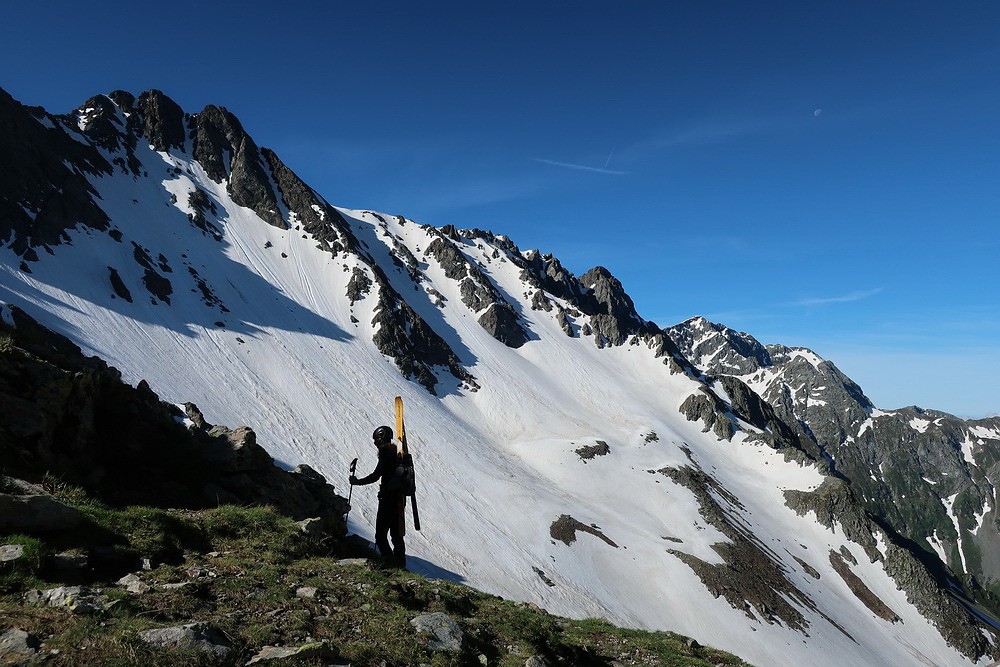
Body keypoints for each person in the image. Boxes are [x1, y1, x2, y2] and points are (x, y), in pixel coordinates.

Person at [349, 425, 406, 568]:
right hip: (399, 498)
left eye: (376, 440)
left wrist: (357, 482)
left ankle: (389, 563)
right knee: (396, 535)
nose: (375, 443)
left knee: (380, 536)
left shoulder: (386, 452)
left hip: (387, 498)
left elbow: (376, 475)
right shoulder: (398, 454)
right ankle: (400, 564)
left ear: (382, 438)